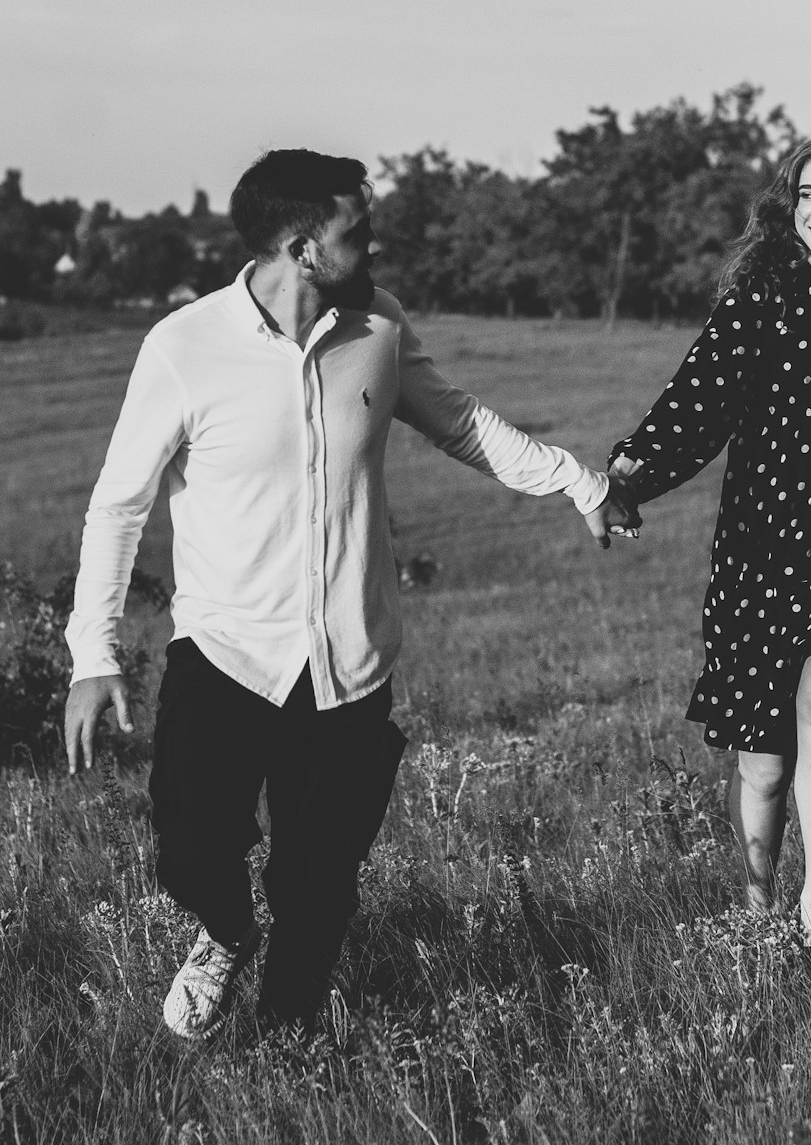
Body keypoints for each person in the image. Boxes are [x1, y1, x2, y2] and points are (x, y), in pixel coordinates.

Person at [65, 148, 640, 1038]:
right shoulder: (183, 348)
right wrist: (92, 656)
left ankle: (291, 1037)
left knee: (321, 878)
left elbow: (461, 422)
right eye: (356, 230)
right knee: (191, 851)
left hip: (348, 661)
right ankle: (222, 934)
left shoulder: (378, 326)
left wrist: (579, 481)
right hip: (224, 653)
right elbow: (117, 505)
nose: (372, 243)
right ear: (302, 246)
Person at [609, 132, 811, 953]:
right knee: (765, 765)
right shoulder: (761, 298)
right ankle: (757, 908)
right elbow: (699, 400)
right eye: (807, 195)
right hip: (764, 550)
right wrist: (630, 474)